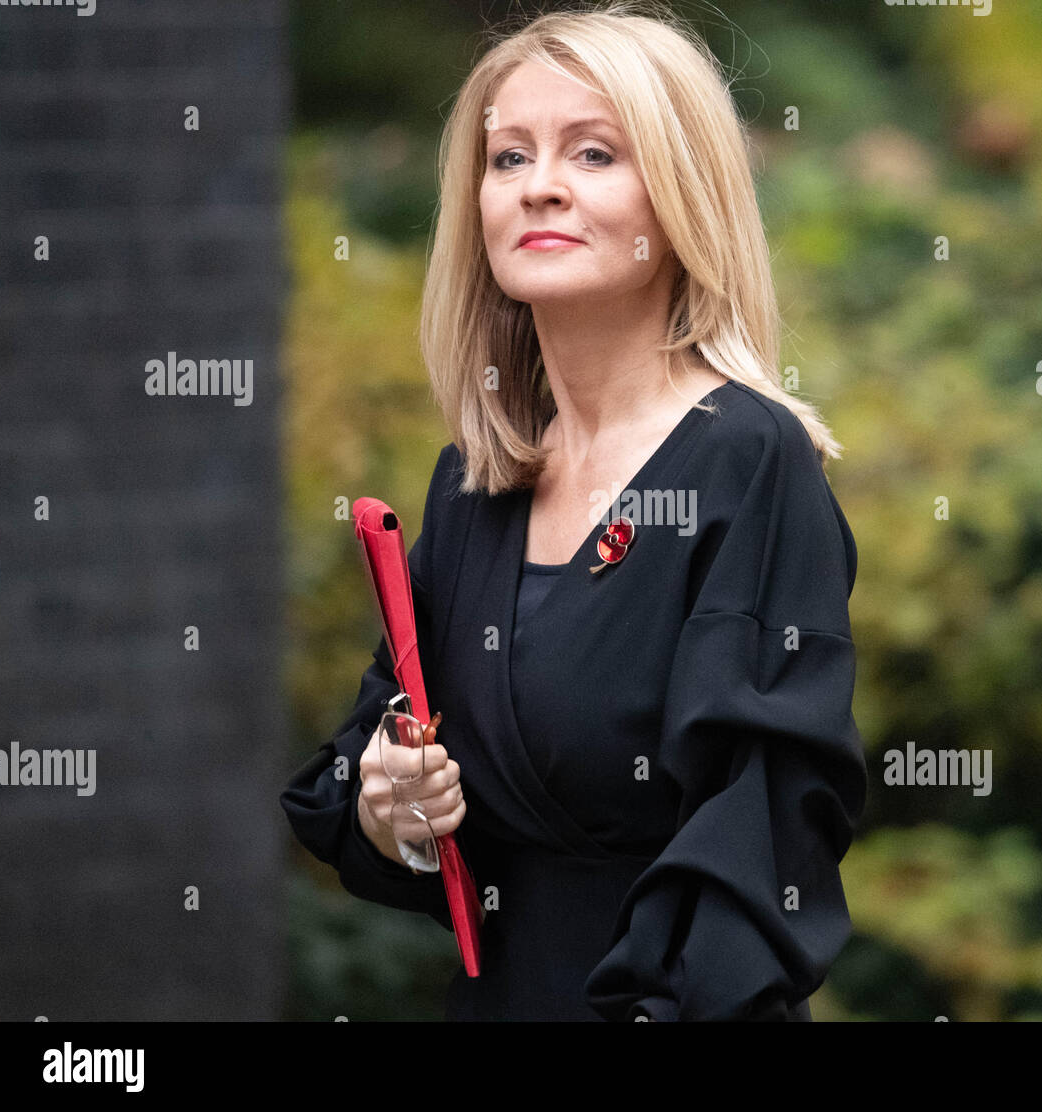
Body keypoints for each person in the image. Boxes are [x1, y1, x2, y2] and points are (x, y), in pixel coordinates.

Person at [280, 2, 867, 1021]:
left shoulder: (746, 458)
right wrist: (393, 807)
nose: (538, 184)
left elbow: (765, 825)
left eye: (594, 153)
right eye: (507, 158)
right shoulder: (475, 483)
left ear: (680, 197)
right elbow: (367, 757)